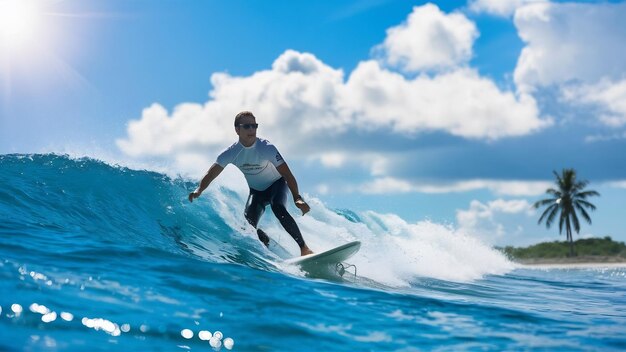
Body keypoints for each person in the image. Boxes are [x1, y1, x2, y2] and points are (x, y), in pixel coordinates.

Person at [188, 111, 314, 256]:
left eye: (254, 126)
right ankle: (264, 239)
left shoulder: (266, 148)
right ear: (237, 130)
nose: (251, 130)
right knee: (248, 227)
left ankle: (304, 249)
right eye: (247, 126)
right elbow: (211, 173)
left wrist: (297, 197)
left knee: (278, 207)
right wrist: (199, 190)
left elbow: (287, 174)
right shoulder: (231, 152)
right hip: (256, 192)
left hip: (276, 185)